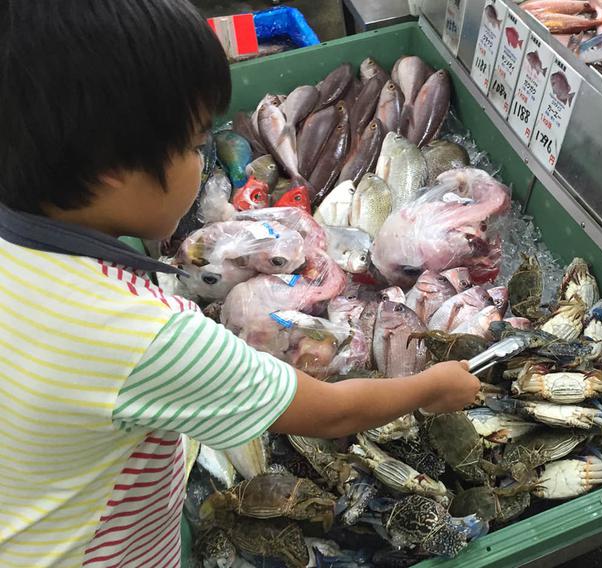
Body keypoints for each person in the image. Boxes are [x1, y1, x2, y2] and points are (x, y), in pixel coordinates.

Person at [0, 1, 481, 565]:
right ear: (112, 170)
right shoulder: (142, 335)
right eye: (193, 146)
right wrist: (430, 388)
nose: (201, 161)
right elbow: (329, 412)